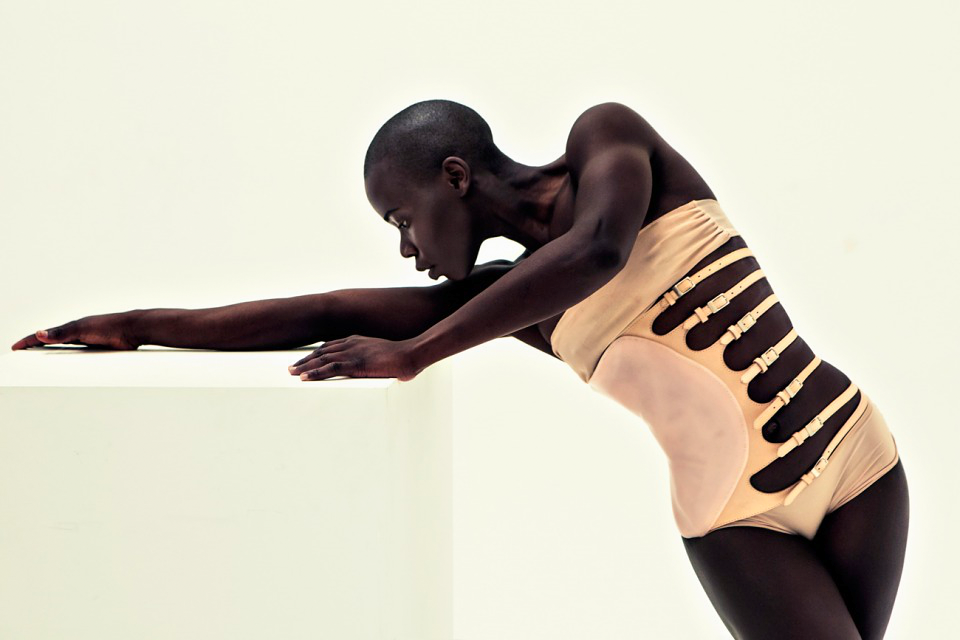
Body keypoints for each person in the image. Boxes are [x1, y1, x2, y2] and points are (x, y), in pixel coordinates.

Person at [11, 99, 908, 639]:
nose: (405, 248)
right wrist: (138, 324)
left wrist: (417, 353)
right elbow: (325, 310)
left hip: (862, 459)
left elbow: (599, 249)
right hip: (740, 519)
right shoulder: (515, 307)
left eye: (401, 218)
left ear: (454, 176)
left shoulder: (607, 138)